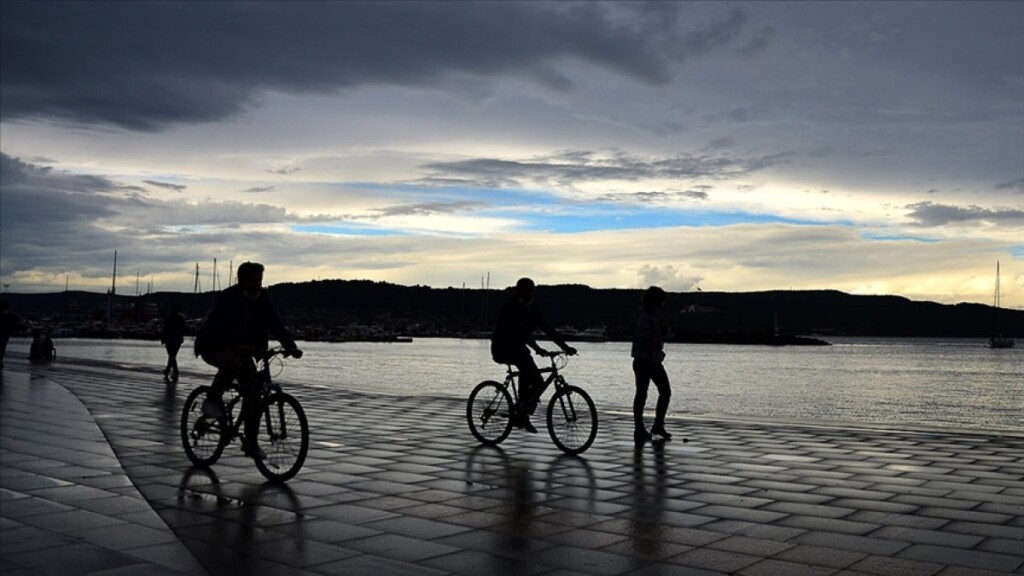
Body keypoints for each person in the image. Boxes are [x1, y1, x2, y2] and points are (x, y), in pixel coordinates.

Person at [194, 262, 301, 455]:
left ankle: (250, 441)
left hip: (243, 349)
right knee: (232, 363)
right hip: (214, 344)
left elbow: (275, 322)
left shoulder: (263, 298)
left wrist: (290, 346)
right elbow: (222, 325)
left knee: (254, 392)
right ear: (241, 280)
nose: (257, 284)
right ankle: (211, 400)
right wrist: (236, 346)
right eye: (252, 280)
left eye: (259, 280)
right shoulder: (229, 297)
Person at [491, 277, 576, 433]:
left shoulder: (532, 308)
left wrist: (565, 346)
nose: (530, 294)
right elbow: (521, 331)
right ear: (519, 292)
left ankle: (523, 414)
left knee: (536, 380)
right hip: (502, 348)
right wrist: (537, 348)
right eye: (527, 291)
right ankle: (521, 411)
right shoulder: (510, 307)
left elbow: (547, 328)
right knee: (528, 369)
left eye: (532, 291)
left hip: (519, 348)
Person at [632, 286, 672, 444]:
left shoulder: (652, 316)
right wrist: (660, 332)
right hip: (644, 360)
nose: (662, 305)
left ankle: (657, 424)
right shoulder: (645, 317)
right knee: (643, 394)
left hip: (652, 360)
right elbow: (642, 337)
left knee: (664, 391)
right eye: (661, 302)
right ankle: (640, 428)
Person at [160, 303, 187, 382]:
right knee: (172, 355)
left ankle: (170, 370)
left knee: (171, 355)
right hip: (178, 339)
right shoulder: (181, 319)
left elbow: (165, 329)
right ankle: (172, 370)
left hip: (170, 339)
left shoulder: (169, 318)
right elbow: (184, 329)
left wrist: (163, 338)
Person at [0, 301, 22, 370]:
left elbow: (16, 324)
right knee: (2, 348)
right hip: (6, 334)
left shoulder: (10, 316)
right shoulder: (12, 316)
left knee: (1, 348)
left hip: (4, 333)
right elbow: (16, 324)